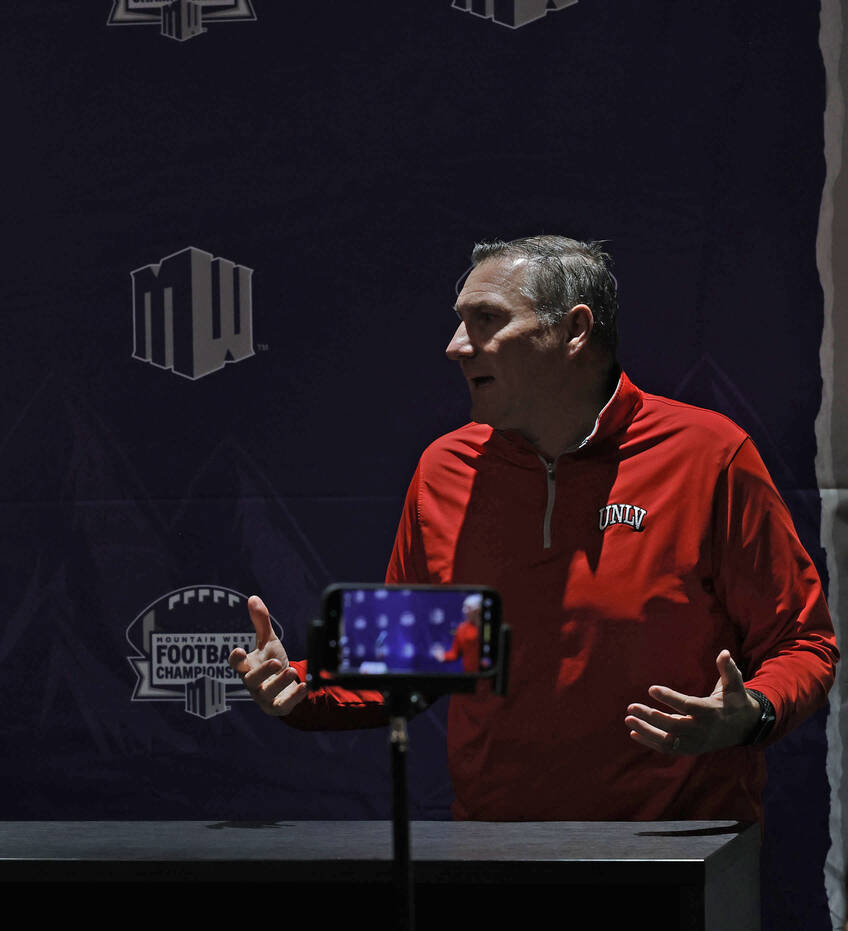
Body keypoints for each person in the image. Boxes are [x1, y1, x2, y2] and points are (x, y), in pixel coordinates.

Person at [228, 235, 838, 821]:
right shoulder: (445, 469)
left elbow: (803, 643)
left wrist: (752, 712)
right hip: (498, 862)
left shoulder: (708, 454)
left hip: (675, 856)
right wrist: (303, 687)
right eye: (459, 321)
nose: (455, 346)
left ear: (574, 330)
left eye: (486, 320)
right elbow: (407, 663)